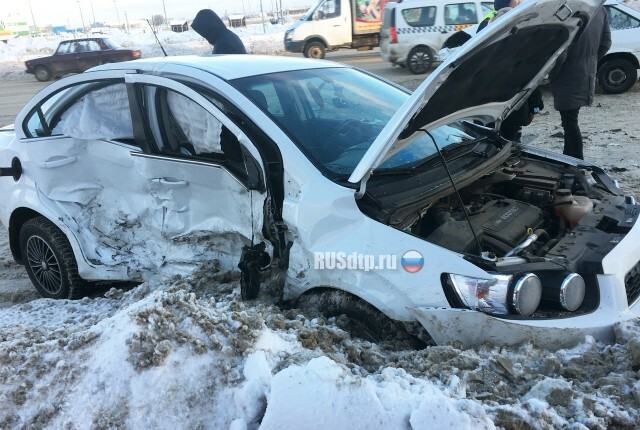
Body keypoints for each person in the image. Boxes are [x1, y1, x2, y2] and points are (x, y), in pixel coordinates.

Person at [549, 6, 611, 160]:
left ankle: (577, 161)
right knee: (570, 120)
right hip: (586, 73)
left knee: (570, 123)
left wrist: (551, 75)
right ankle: (567, 158)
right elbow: (606, 42)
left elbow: (561, 52)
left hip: (567, 75)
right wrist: (591, 62)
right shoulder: (599, 9)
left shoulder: (569, 9)